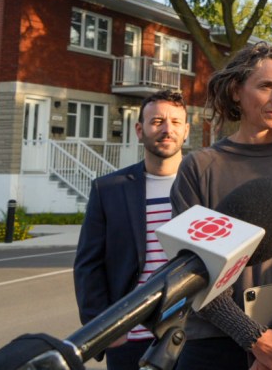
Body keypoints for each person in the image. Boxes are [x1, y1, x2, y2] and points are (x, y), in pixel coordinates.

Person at [171, 42, 272, 370]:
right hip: (214, 344)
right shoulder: (199, 167)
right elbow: (191, 270)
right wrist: (254, 338)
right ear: (235, 91)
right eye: (266, 86)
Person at [73, 90, 190, 370]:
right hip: (131, 340)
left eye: (175, 122)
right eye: (157, 121)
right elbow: (88, 265)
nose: (167, 129)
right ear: (140, 130)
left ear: (186, 131)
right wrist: (104, 330)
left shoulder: (202, 184)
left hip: (193, 335)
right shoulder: (109, 189)